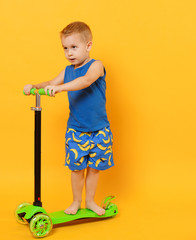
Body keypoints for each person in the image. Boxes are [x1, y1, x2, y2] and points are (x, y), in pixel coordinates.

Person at [23, 21, 114, 216]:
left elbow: (86, 81)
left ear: (88, 45)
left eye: (74, 47)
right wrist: (34, 87)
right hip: (76, 130)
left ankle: (90, 201)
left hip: (100, 130)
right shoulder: (67, 71)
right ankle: (76, 201)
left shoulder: (96, 66)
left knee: (94, 168)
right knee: (76, 169)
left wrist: (60, 88)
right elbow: (49, 83)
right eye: (65, 48)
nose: (69, 53)